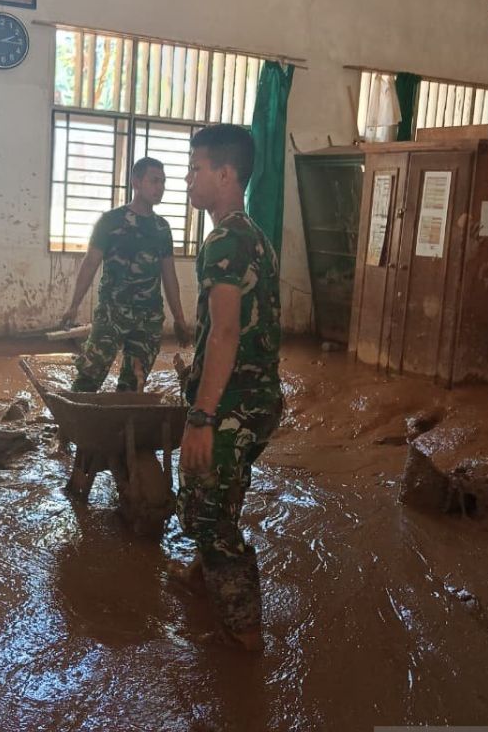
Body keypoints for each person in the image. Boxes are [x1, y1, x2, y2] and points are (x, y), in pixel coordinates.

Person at [173, 125, 283, 651]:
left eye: (195, 169)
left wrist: (202, 417)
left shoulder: (223, 241)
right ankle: (202, 574)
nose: (187, 179)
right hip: (261, 399)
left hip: (232, 405)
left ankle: (245, 635)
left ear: (225, 174)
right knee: (221, 490)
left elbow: (225, 332)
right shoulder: (255, 236)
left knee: (208, 512)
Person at [61, 157, 191, 393]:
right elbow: (90, 263)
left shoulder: (162, 228)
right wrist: (73, 306)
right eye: (154, 181)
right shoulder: (110, 221)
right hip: (112, 313)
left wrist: (179, 318)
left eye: (163, 182)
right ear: (136, 182)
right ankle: (72, 416)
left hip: (148, 318)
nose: (160, 187)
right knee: (88, 379)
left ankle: (122, 417)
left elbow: (169, 275)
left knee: (133, 385)